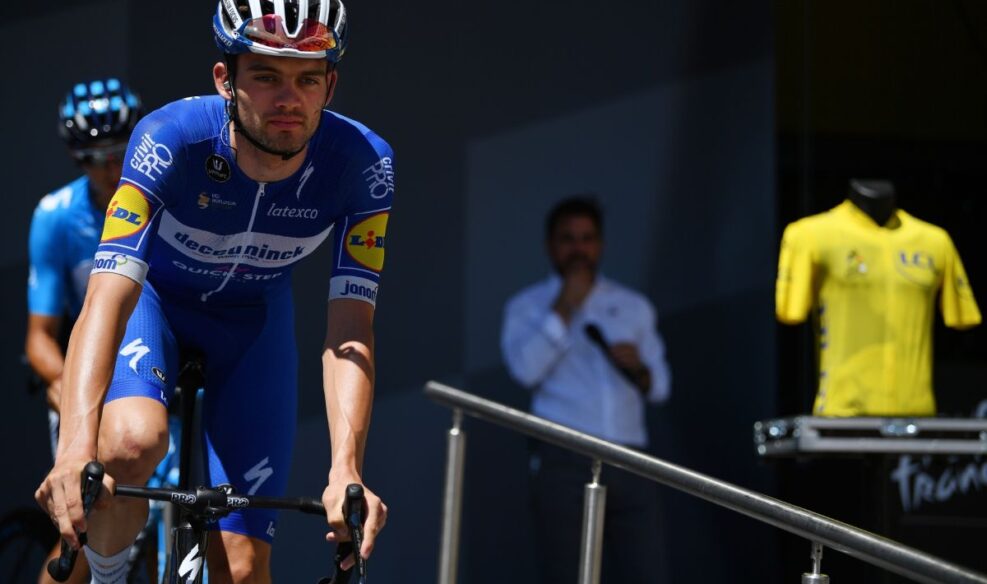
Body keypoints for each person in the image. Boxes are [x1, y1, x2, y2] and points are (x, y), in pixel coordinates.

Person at [34, 1, 392, 582]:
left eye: (307, 80)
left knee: (244, 570)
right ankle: (108, 576)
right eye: (266, 76)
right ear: (226, 79)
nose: (288, 99)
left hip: (253, 325)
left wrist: (346, 469)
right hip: (156, 306)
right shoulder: (168, 139)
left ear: (330, 85)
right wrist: (76, 447)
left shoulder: (365, 165)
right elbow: (106, 298)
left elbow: (351, 328)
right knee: (128, 444)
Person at [501, 196, 671, 583]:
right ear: (550, 246)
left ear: (601, 245)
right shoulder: (527, 306)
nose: (579, 249)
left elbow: (660, 387)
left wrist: (638, 368)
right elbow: (524, 370)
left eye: (587, 239)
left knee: (646, 572)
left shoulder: (632, 305)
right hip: (564, 456)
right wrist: (565, 306)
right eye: (568, 239)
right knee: (569, 574)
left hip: (632, 457)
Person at [26, 77, 143, 584]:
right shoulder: (55, 216)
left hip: (159, 368)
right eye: (95, 159)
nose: (111, 169)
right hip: (92, 369)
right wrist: (63, 384)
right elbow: (39, 336)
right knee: (82, 529)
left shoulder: (165, 201)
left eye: (120, 153)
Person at [776, 179, 981, 416]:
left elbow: (963, 316)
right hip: (841, 411)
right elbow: (790, 311)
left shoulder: (934, 241)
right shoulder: (810, 234)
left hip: (916, 412)